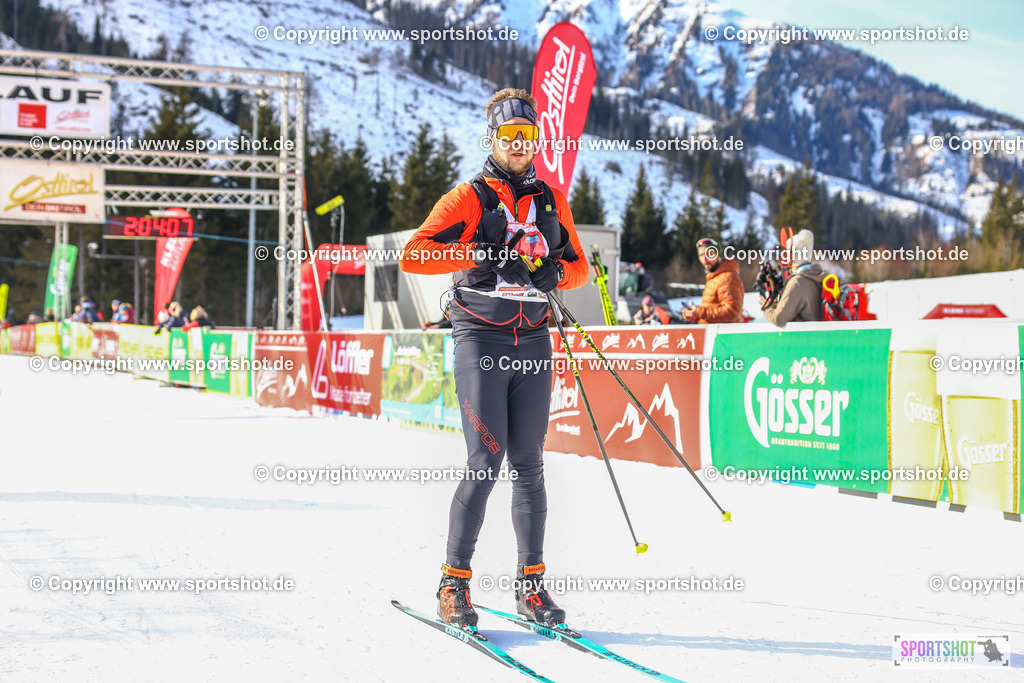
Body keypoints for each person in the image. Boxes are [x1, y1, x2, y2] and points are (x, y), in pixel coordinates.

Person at [399, 87, 588, 631]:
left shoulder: (551, 200)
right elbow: (415, 254)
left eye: (529, 137)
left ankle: (532, 586)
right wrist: (479, 253)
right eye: (510, 138)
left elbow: (579, 269)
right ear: (493, 140)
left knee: (530, 464)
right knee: (486, 461)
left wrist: (556, 273)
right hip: (480, 335)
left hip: (532, 337)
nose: (520, 147)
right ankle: (452, 583)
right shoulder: (469, 197)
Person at [763, 229, 826, 327]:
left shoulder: (798, 282)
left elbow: (778, 319)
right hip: (820, 337)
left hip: (803, 339)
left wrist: (767, 308)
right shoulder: (819, 276)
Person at [681, 237, 744, 324]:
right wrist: (695, 315)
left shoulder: (728, 278)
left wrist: (699, 312)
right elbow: (712, 309)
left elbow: (732, 312)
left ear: (718, 255)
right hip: (711, 334)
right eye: (701, 255)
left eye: (709, 254)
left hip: (723, 336)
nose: (704, 259)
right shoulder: (713, 277)